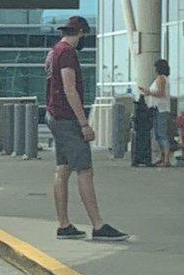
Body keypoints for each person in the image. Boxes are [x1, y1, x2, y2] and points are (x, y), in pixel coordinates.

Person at [45, 16, 128, 242]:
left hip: (54, 114)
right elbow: (70, 88)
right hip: (67, 117)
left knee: (63, 169)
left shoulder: (54, 51)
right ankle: (98, 225)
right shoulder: (68, 54)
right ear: (80, 32)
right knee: (85, 169)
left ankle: (64, 224)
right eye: (85, 36)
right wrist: (84, 123)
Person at [139, 58, 172, 168]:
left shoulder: (161, 79)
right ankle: (162, 157)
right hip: (158, 108)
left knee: (161, 134)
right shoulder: (162, 78)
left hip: (160, 109)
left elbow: (160, 93)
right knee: (158, 134)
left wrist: (148, 92)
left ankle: (166, 159)